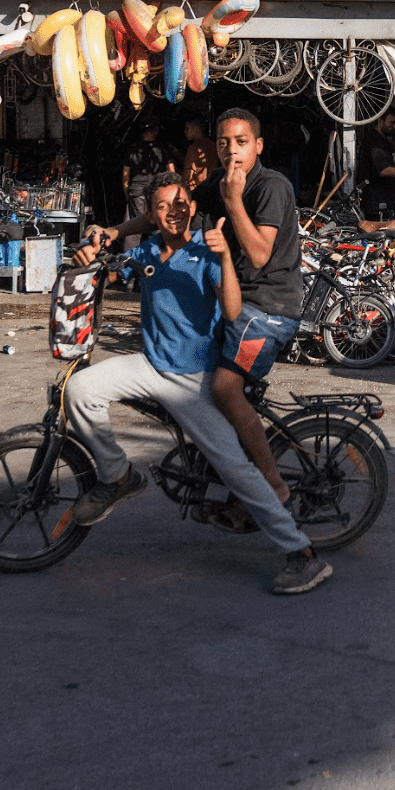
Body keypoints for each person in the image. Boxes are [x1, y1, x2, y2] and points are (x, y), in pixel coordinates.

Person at [64, 175, 328, 595]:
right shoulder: (147, 250)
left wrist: (224, 259)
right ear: (151, 215)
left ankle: (302, 554)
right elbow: (109, 273)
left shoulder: (206, 249)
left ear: (191, 207)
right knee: (78, 390)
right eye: (164, 205)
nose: (174, 210)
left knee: (238, 470)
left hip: (192, 379)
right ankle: (117, 477)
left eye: (182, 202)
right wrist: (90, 254)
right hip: (151, 365)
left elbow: (232, 308)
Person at [121, 120, 170, 224]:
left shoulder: (132, 149)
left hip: (136, 193)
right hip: (156, 192)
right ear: (154, 131)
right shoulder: (162, 149)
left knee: (133, 229)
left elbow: (125, 175)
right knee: (157, 227)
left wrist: (127, 194)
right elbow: (172, 171)